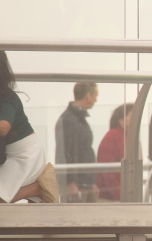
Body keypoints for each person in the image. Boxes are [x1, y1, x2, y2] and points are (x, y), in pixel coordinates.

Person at [0, 51, 59, 204]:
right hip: (18, 152)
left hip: (25, 153)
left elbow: (4, 126)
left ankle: (36, 189)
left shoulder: (7, 96)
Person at [55, 82, 98, 202]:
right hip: (76, 185)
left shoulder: (79, 120)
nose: (96, 100)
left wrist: (91, 182)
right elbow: (64, 153)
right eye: (95, 95)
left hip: (85, 182)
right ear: (88, 96)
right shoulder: (68, 120)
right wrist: (70, 183)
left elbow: (85, 151)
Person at [95, 103, 133, 202]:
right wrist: (119, 194)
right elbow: (107, 169)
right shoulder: (113, 136)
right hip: (110, 198)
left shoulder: (127, 138)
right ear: (121, 119)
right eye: (131, 115)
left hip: (121, 195)